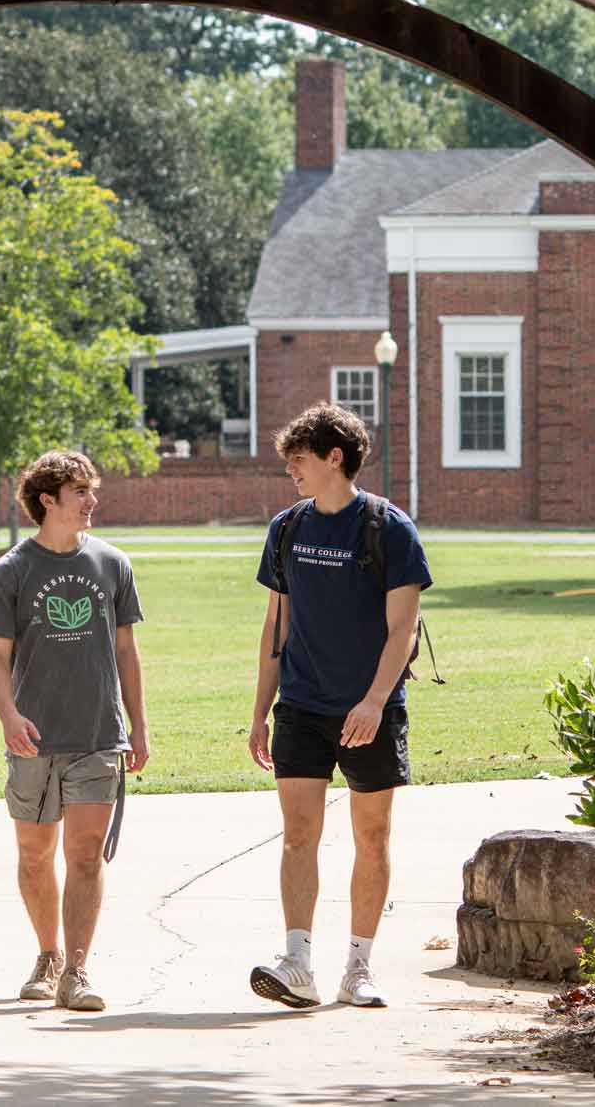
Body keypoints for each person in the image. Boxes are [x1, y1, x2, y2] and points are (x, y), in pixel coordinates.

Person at [247, 402, 431, 1010]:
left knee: (372, 835)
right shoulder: (288, 528)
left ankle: (359, 967)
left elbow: (403, 626)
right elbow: (277, 626)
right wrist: (258, 714)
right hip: (300, 705)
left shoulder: (387, 528)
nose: (291, 471)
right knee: (299, 834)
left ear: (335, 458)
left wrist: (376, 701)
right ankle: (297, 961)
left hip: (371, 710)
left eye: (300, 459)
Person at [0, 449, 149, 1011]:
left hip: (98, 733)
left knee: (84, 855)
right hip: (33, 737)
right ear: (47, 500)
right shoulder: (11, 572)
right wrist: (8, 717)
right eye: (80, 492)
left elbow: (127, 649)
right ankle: (47, 955)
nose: (92, 501)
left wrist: (138, 726)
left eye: (91, 490)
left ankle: (77, 969)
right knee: (34, 853)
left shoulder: (113, 564)